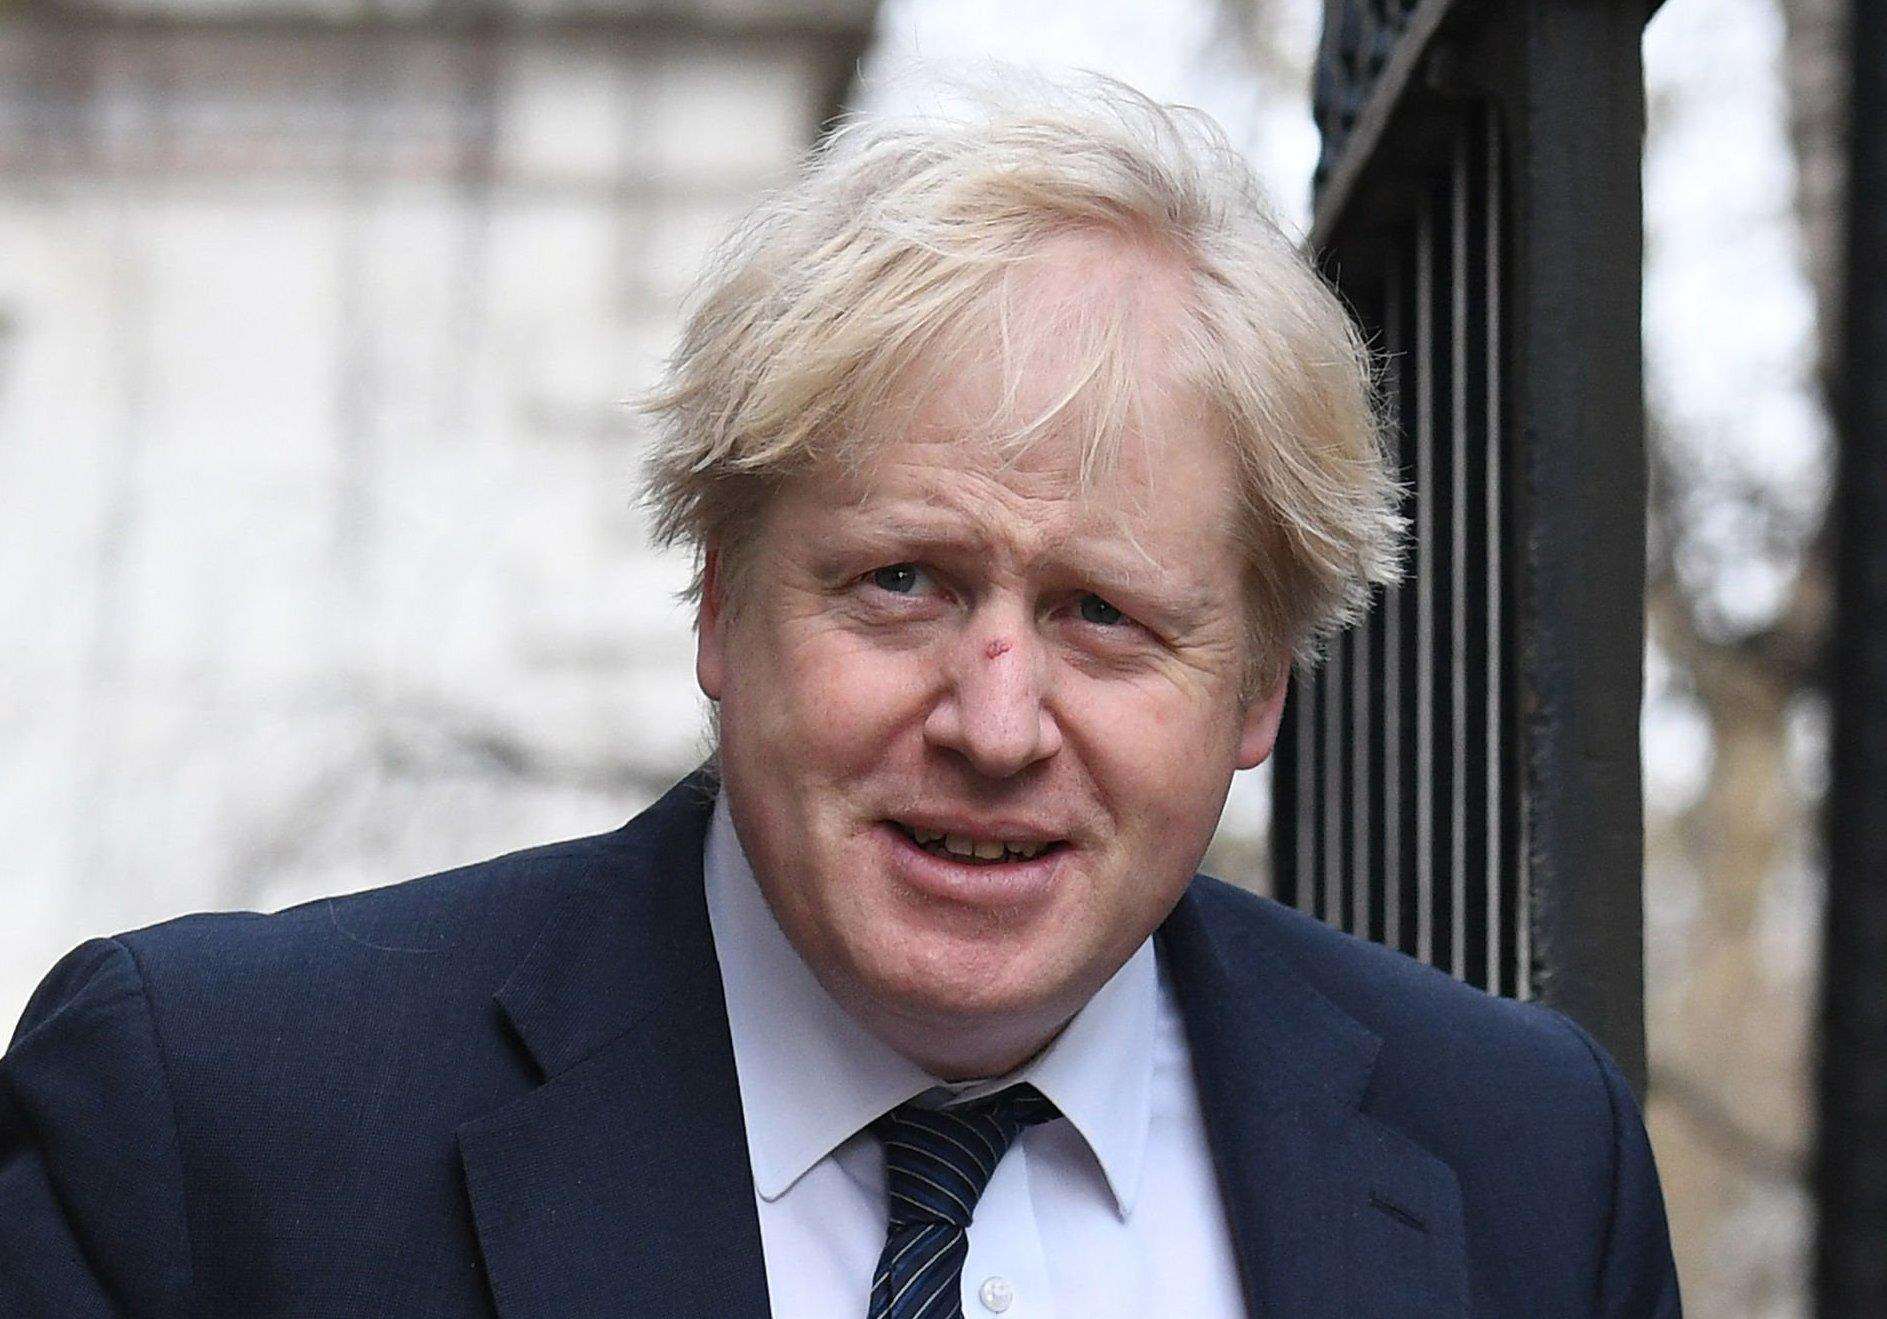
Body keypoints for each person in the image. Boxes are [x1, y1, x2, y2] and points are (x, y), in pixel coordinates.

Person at [0, 80, 1679, 1317]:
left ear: (1259, 689)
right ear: (719, 599)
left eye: (1104, 616)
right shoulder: (212, 1124)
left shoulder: (1528, 1170)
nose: (997, 722)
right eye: (904, 584)